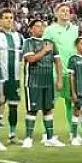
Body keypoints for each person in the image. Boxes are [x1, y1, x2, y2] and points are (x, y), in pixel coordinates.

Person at [22, 19, 64, 148]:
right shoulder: (28, 42)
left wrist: (59, 79)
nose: (41, 28)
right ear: (31, 29)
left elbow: (58, 62)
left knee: (48, 109)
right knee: (32, 110)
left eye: (42, 26)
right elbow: (31, 59)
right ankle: (28, 138)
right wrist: (45, 51)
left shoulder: (50, 43)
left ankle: (50, 138)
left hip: (48, 82)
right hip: (33, 81)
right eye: (37, 26)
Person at [42, 4, 80, 136]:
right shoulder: (50, 30)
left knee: (72, 102)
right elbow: (46, 50)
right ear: (56, 13)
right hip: (54, 72)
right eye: (62, 11)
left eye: (67, 11)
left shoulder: (75, 29)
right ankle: (47, 134)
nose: (65, 13)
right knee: (50, 103)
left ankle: (73, 133)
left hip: (71, 72)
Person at [0, 9, 24, 143]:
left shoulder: (19, 37)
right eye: (6, 18)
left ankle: (12, 134)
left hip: (15, 78)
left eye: (11, 18)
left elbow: (25, 54)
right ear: (0, 20)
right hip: (1, 78)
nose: (9, 20)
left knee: (14, 106)